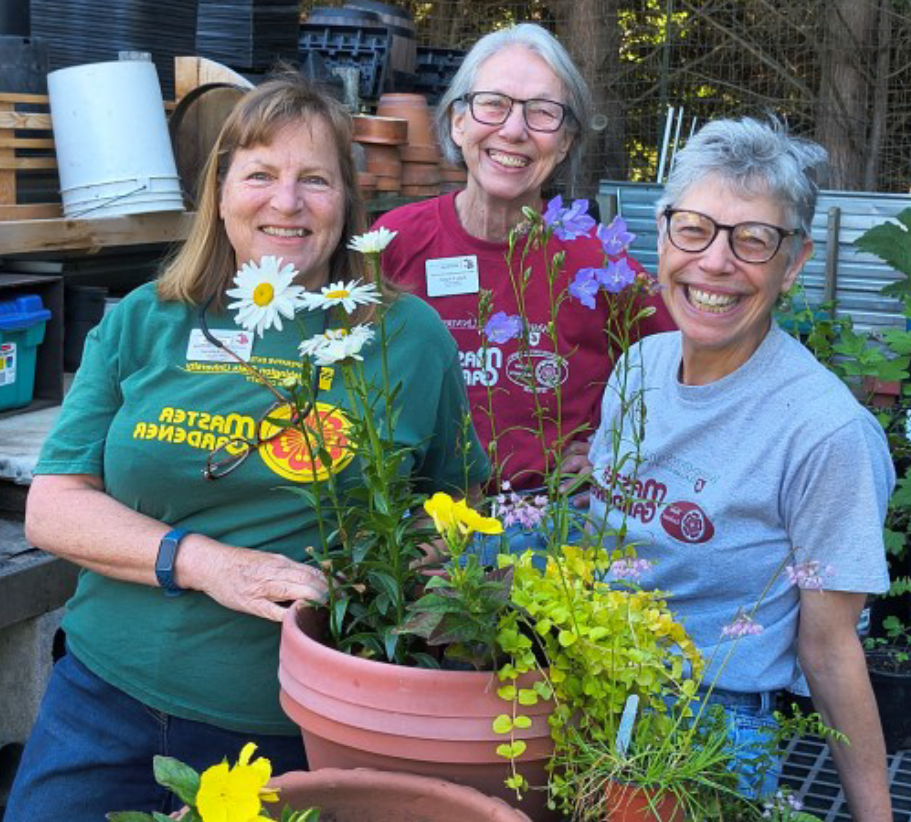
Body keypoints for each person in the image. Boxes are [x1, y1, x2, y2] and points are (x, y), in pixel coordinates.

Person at [6, 76, 487, 822]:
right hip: (102, 704)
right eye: (260, 174)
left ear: (348, 203)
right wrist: (209, 564)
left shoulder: (408, 338)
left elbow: (456, 507)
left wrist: (398, 579)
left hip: (291, 728)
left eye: (314, 180)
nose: (285, 203)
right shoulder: (147, 319)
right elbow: (55, 507)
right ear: (221, 192)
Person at [586, 117, 894, 820]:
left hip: (706, 729)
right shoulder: (638, 366)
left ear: (792, 262)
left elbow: (829, 649)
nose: (715, 262)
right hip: (587, 678)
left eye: (752, 239)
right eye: (693, 227)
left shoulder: (824, 434)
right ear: (661, 234)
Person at [374, 23, 674, 497]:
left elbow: (688, 366)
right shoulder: (392, 242)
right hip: (415, 522)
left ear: (567, 141)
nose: (513, 130)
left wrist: (620, 445)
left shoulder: (597, 262)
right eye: (493, 103)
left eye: (542, 112)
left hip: (553, 521)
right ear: (458, 121)